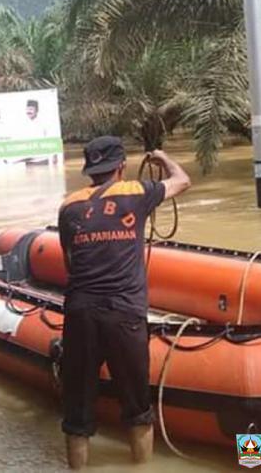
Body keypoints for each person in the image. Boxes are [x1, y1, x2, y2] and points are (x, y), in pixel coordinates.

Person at [57, 136, 191, 468]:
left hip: (80, 313)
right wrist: (161, 158)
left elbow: (70, 262)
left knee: (77, 412)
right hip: (124, 314)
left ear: (89, 170)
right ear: (121, 167)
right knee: (137, 407)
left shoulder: (68, 205)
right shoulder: (137, 193)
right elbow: (183, 180)